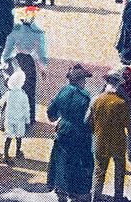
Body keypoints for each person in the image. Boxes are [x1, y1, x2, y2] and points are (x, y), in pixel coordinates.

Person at [47, 64, 95, 201]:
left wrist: (60, 119)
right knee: (79, 163)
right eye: (84, 80)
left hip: (63, 130)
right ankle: (76, 192)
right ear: (80, 81)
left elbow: (51, 114)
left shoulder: (62, 92)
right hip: (80, 132)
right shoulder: (85, 97)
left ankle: (60, 189)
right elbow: (89, 118)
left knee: (61, 161)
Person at [90, 70, 131, 202]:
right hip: (118, 142)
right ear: (118, 85)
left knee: (99, 170)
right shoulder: (122, 103)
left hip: (100, 140)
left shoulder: (97, 100)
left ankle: (95, 197)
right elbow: (129, 125)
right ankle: (118, 197)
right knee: (119, 170)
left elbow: (89, 121)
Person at [3, 4, 50, 121]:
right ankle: (29, 118)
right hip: (29, 62)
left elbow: (7, 51)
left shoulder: (14, 30)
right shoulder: (38, 33)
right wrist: (43, 68)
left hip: (16, 60)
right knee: (29, 91)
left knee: (14, 89)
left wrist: (4, 63)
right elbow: (41, 53)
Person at [0, 65, 31, 163]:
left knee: (8, 136)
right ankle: (17, 151)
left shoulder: (9, 93)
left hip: (9, 118)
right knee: (19, 136)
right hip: (19, 119)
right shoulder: (23, 95)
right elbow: (26, 109)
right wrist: (27, 120)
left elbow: (1, 102)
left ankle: (5, 154)